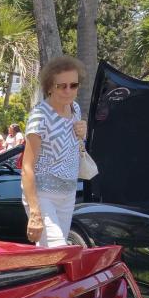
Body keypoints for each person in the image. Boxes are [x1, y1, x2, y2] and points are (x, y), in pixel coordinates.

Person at [22, 56, 88, 247]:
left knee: (50, 255)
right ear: (50, 87)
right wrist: (34, 213)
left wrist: (82, 130)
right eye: (62, 86)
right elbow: (27, 168)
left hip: (68, 194)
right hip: (43, 194)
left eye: (73, 85)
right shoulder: (40, 117)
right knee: (57, 248)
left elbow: (71, 147)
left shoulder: (74, 108)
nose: (68, 91)